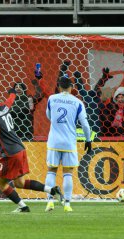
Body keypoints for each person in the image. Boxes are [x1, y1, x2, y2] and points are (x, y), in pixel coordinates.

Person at [44, 76, 92, 212]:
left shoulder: (52, 99)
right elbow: (85, 125)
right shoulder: (77, 102)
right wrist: (88, 140)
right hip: (69, 142)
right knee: (68, 173)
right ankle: (67, 204)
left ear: (59, 87)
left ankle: (50, 202)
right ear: (71, 87)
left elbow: (49, 116)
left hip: (54, 141)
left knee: (51, 171)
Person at [10, 72, 46, 141]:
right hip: (13, 135)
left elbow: (40, 94)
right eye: (16, 87)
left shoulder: (29, 99)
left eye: (20, 87)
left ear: (24, 90)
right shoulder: (10, 102)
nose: (18, 89)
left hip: (27, 136)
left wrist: (36, 84)